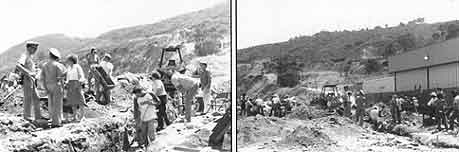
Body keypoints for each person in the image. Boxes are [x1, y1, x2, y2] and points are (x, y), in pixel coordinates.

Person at [16, 41, 43, 121]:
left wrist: (35, 71)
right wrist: (29, 73)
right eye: (33, 48)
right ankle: (27, 117)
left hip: (32, 80)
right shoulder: (24, 55)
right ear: (28, 48)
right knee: (28, 98)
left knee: (37, 98)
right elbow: (18, 65)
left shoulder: (30, 57)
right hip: (27, 79)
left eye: (36, 48)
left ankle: (38, 117)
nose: (35, 50)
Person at [41, 48, 67, 127]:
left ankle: (53, 119)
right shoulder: (58, 65)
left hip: (48, 85)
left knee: (51, 103)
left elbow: (42, 77)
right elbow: (64, 74)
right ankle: (57, 122)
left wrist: (45, 87)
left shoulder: (44, 65)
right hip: (56, 85)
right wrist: (62, 85)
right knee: (57, 104)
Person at [65, 54, 86, 122]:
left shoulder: (77, 66)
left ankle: (82, 116)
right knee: (72, 101)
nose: (67, 61)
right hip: (70, 84)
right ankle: (75, 116)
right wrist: (67, 82)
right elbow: (68, 77)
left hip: (76, 83)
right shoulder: (69, 68)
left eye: (68, 60)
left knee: (80, 100)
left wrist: (80, 82)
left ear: (71, 60)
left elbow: (81, 75)